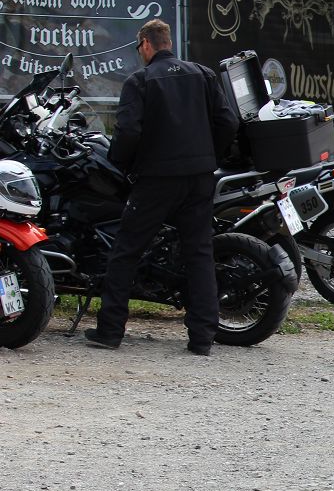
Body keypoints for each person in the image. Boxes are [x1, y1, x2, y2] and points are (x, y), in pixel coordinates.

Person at [85, 18, 239, 355]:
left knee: (126, 251)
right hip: (199, 178)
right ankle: (202, 338)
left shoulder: (139, 81)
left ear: (145, 44)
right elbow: (227, 121)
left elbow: (128, 132)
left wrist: (123, 164)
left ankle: (110, 331)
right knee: (199, 254)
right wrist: (210, 156)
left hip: (156, 179)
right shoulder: (203, 75)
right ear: (167, 42)